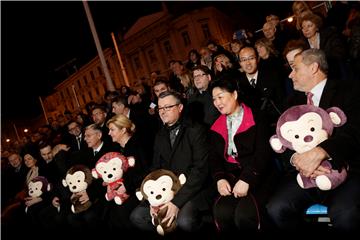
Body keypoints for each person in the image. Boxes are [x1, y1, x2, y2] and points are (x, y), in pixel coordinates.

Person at [266, 49, 360, 232]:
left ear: (314, 68)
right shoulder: (291, 101)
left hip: (346, 171)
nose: (290, 75)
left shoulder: (349, 90)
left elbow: (355, 132)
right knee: (276, 208)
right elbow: (281, 142)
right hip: (305, 177)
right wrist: (297, 161)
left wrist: (321, 152)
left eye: (296, 69)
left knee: (345, 213)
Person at [130, 91, 211, 234]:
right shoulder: (160, 135)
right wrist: (152, 200)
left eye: (167, 107)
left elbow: (200, 171)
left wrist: (175, 202)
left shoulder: (196, 130)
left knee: (184, 221)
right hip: (164, 191)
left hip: (192, 190)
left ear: (180, 108)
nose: (162, 111)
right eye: (160, 108)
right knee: (137, 216)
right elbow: (155, 169)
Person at [208, 76, 277, 232]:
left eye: (220, 97)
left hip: (259, 175)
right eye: (214, 99)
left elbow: (263, 153)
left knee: (245, 215)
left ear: (235, 95)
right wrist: (220, 179)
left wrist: (247, 178)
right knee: (222, 212)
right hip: (231, 178)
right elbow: (214, 158)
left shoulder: (257, 117)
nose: (217, 103)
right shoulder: (215, 126)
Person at [105, 114, 149, 231]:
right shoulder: (118, 149)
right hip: (128, 188)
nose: (109, 133)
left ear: (123, 130)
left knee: (121, 212)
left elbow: (146, 171)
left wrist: (126, 186)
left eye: (112, 130)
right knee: (110, 212)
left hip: (142, 189)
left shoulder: (138, 145)